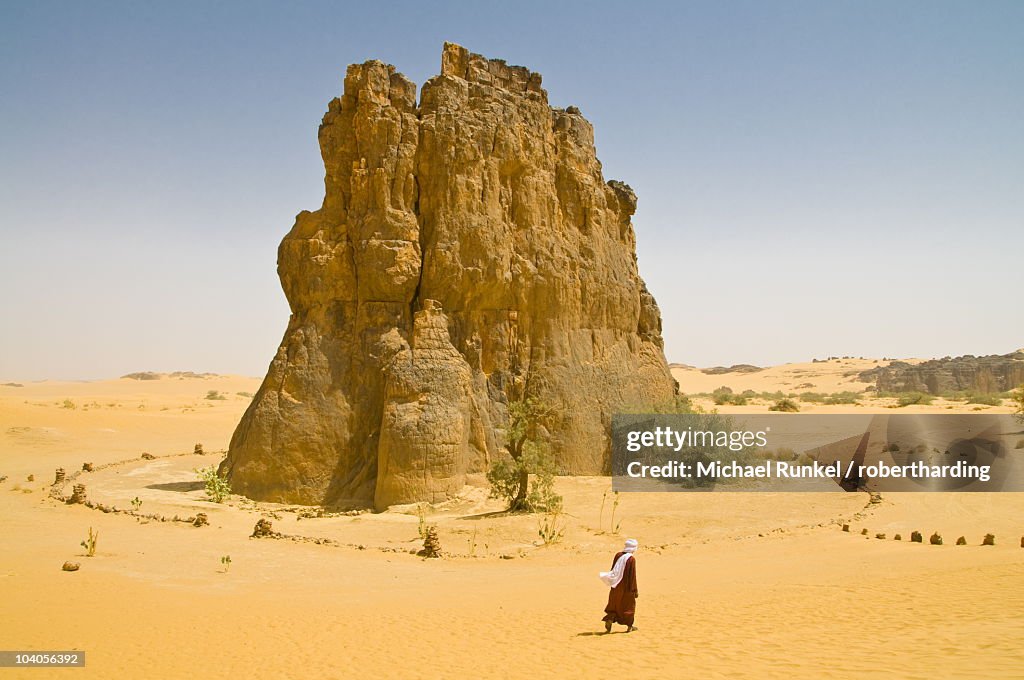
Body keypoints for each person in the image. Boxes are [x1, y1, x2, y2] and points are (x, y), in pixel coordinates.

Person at [599, 538, 639, 633]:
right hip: (626, 587)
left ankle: (609, 619)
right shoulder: (631, 559)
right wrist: (635, 590)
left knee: (614, 604)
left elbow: (613, 569)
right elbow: (632, 576)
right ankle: (629, 626)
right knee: (629, 605)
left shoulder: (618, 555)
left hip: (615, 585)